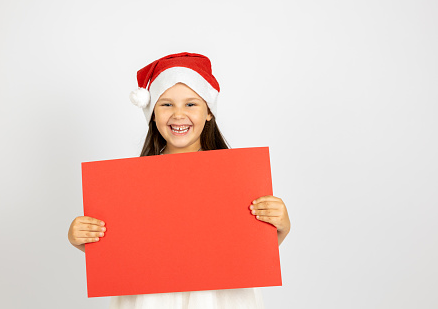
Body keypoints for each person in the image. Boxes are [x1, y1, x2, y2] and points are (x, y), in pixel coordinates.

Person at [68, 52, 291, 309]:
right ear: (152, 113)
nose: (178, 114)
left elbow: (247, 251)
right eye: (166, 104)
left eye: (190, 104)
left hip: (218, 300)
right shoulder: (129, 185)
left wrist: (281, 226)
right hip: (151, 300)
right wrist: (82, 238)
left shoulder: (237, 179)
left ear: (209, 112)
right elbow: (124, 253)